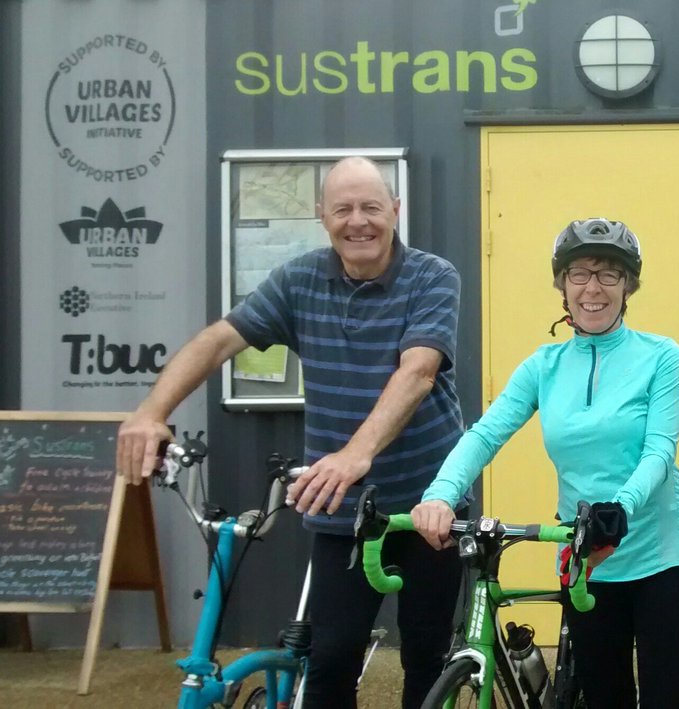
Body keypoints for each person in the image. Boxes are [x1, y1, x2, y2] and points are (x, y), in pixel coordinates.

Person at [116, 156, 465, 708]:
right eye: (343, 209)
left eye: (372, 207)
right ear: (321, 216)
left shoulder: (432, 275)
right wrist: (150, 412)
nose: (359, 222)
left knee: (427, 656)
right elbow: (217, 342)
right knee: (328, 661)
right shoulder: (299, 280)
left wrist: (354, 455)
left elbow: (418, 372)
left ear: (395, 211)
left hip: (430, 504)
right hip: (344, 510)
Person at [410, 217, 679, 708]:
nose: (594, 288)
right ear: (562, 286)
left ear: (628, 286)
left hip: (661, 553)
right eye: (579, 273)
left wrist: (619, 508)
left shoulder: (661, 356)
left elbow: (659, 452)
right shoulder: (543, 366)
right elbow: (485, 434)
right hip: (585, 554)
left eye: (609, 274)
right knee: (604, 696)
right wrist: (439, 492)